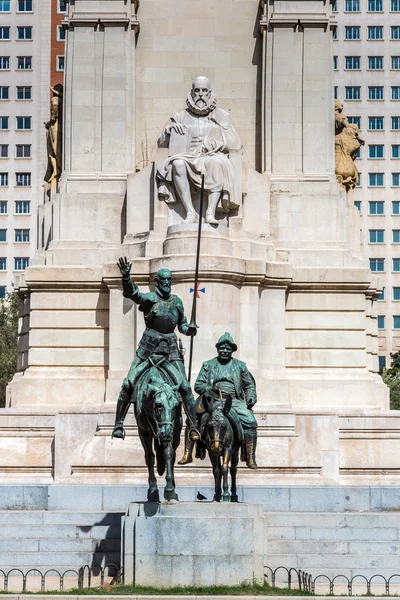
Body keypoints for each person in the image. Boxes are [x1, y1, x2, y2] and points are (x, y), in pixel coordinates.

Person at [111, 257, 199, 441]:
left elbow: (181, 325)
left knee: (184, 387)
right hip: (148, 350)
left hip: (171, 350)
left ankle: (194, 427)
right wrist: (126, 277)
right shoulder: (150, 299)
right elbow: (133, 294)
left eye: (169, 280)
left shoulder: (177, 302)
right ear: (157, 282)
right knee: (128, 383)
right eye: (163, 280)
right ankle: (118, 424)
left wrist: (188, 329)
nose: (166, 283)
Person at [156, 76, 242, 225]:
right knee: (177, 164)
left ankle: (210, 212)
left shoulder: (220, 115)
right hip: (187, 156)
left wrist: (219, 136)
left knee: (216, 162)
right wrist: (168, 132)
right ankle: (190, 212)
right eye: (197, 90)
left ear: (210, 93)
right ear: (192, 93)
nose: (201, 94)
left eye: (204, 91)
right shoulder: (181, 116)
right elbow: (161, 143)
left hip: (209, 156)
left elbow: (235, 144)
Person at [179, 332, 258, 468]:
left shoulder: (240, 366)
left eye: (228, 348)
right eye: (222, 348)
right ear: (217, 349)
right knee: (192, 419)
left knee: (251, 421)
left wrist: (251, 397)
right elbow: (198, 385)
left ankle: (250, 457)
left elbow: (249, 385)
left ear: (232, 350)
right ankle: (188, 454)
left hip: (233, 401)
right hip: (212, 400)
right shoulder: (208, 365)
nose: (225, 351)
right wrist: (210, 388)